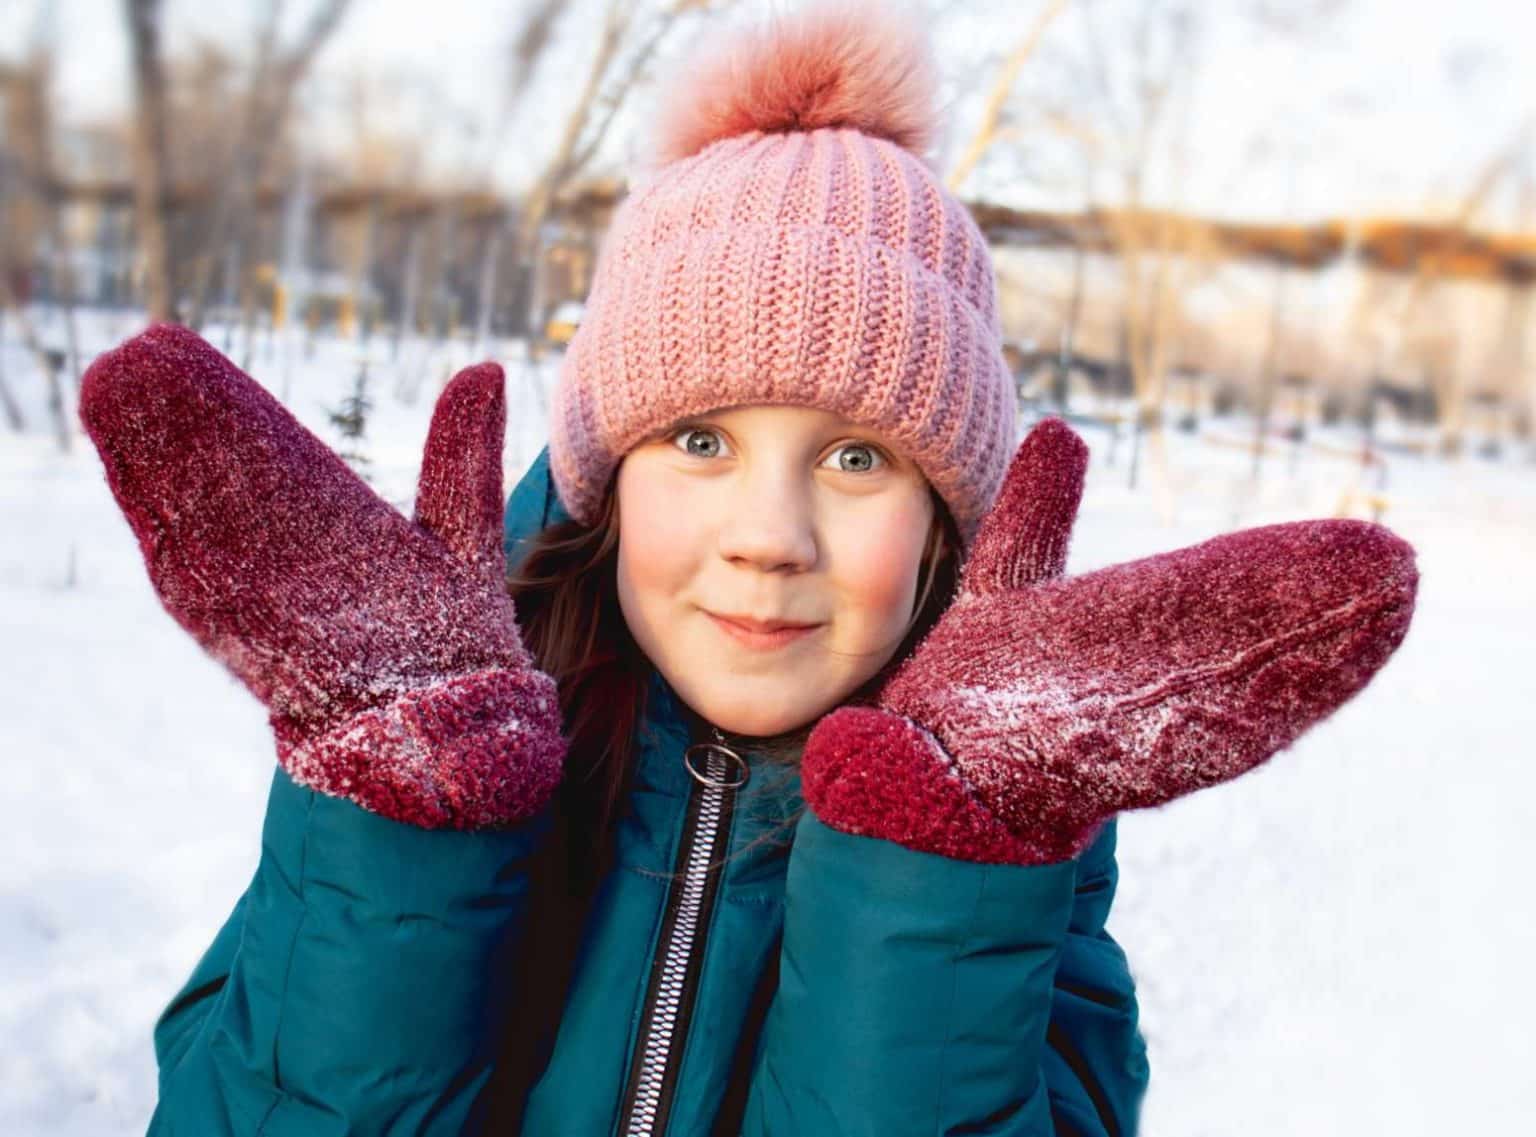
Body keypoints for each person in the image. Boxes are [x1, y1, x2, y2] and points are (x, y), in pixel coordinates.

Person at [77, 3, 1418, 1135]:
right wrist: (394, 845)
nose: (767, 533)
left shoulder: (1020, 885)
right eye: (700, 437)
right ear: (604, 487)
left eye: (856, 459)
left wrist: (936, 874)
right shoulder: (433, 736)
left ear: (951, 522)